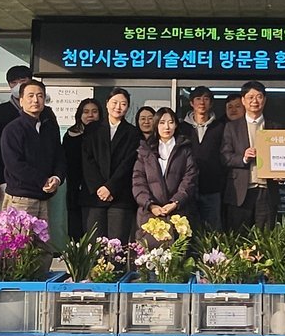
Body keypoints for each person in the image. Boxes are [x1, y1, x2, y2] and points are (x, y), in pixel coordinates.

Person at [0, 79, 65, 274]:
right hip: (21, 199)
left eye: (40, 96)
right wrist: (42, 180)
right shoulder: (13, 129)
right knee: (18, 248)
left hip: (43, 198)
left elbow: (59, 156)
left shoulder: (49, 127)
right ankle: (17, 285)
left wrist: (56, 178)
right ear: (21, 101)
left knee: (43, 247)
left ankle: (39, 283)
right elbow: (15, 165)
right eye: (30, 96)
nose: (35, 100)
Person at [82, 87, 142, 242]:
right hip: (95, 195)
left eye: (123, 104)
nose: (118, 107)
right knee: (94, 245)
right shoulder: (92, 129)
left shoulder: (133, 133)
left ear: (128, 107)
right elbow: (87, 160)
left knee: (117, 245)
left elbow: (128, 163)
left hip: (120, 196)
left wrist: (110, 187)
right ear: (107, 103)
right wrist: (99, 187)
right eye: (115, 102)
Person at [220, 80, 281, 231]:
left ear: (264, 100)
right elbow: (224, 156)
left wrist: (282, 173)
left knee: (265, 237)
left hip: (267, 190)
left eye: (259, 97)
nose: (255, 101)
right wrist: (243, 158)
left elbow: (282, 156)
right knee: (238, 237)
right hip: (241, 191)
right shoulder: (231, 127)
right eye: (250, 97)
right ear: (243, 100)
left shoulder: (275, 127)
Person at [133, 107, 199, 241]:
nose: (167, 127)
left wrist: (175, 202)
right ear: (156, 125)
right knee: (151, 250)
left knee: (178, 250)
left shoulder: (185, 149)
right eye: (162, 122)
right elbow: (138, 182)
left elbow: (190, 178)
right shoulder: (145, 150)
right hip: (150, 213)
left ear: (176, 125)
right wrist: (150, 205)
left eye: (171, 122)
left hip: (178, 211)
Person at [0, 64, 34, 216]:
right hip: (5, 181)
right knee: (7, 226)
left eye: (22, 81)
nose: (18, 86)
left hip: (36, 183)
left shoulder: (43, 113)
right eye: (13, 83)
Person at [178, 85, 226, 231]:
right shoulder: (181, 128)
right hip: (187, 188)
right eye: (198, 99)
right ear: (191, 103)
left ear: (211, 103)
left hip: (212, 187)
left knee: (213, 230)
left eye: (206, 99)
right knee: (187, 230)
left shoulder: (220, 127)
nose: (202, 102)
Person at [62, 97, 102, 243]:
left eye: (94, 111)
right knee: (76, 230)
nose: (90, 115)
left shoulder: (104, 134)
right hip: (75, 188)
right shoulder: (70, 135)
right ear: (80, 114)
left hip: (97, 189)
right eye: (86, 112)